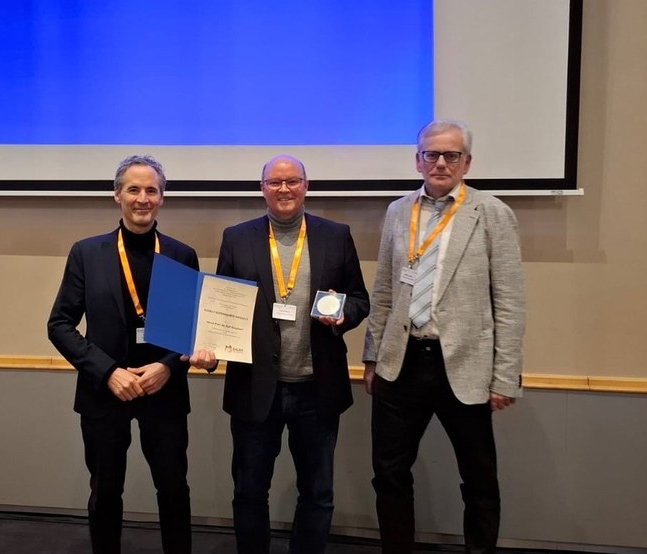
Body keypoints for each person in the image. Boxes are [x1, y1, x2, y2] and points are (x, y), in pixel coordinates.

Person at [362, 120, 526, 554]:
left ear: (466, 163)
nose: (440, 163)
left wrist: (504, 377)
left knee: (479, 478)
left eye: (451, 155)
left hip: (464, 366)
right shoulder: (399, 211)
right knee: (389, 474)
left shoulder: (492, 213)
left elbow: (510, 302)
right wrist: (373, 357)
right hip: (401, 363)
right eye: (431, 154)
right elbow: (384, 291)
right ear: (417, 160)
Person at [47, 155, 203, 554]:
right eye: (133, 189)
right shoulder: (87, 253)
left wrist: (167, 368)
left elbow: (191, 329)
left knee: (174, 489)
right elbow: (59, 325)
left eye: (152, 190)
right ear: (117, 195)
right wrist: (108, 372)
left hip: (164, 393)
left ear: (162, 198)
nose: (142, 198)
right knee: (105, 491)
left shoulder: (181, 255)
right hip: (105, 393)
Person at [215, 155, 370, 554]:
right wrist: (212, 346)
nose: (284, 189)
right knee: (249, 491)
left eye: (292, 181)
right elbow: (223, 305)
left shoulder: (336, 235)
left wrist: (343, 315)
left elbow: (359, 299)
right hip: (255, 388)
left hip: (317, 390)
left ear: (306, 186)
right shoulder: (237, 237)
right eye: (275, 182)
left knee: (317, 493)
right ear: (262, 188)